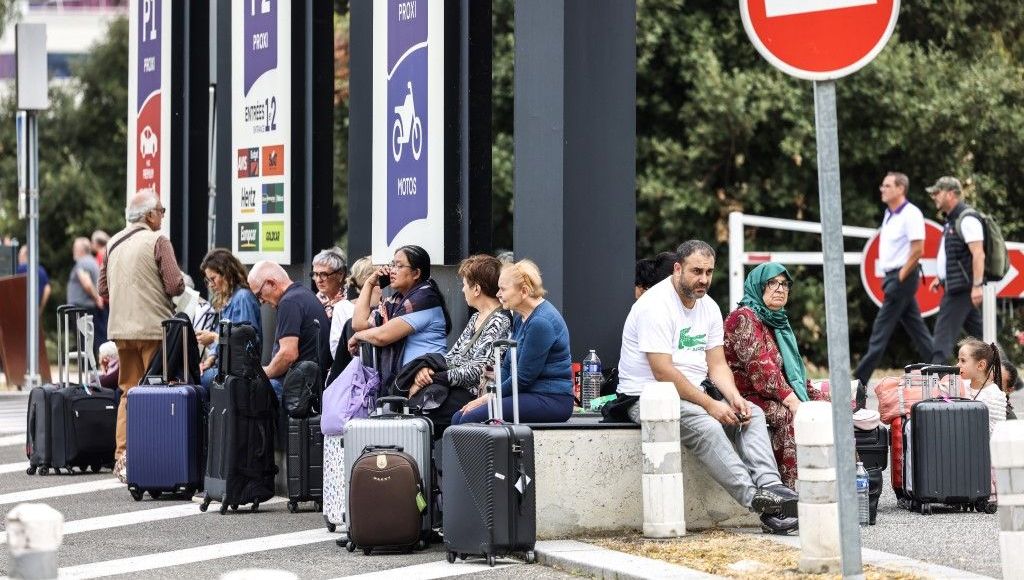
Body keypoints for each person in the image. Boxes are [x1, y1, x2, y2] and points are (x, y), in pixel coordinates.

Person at [617, 240, 799, 535]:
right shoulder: (655, 305)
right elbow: (662, 372)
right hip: (648, 396)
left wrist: (733, 398)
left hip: (694, 393)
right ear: (678, 269)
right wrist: (710, 404)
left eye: (709, 272)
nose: (703, 279)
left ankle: (772, 488)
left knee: (751, 413)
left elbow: (717, 366)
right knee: (708, 426)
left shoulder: (710, 307)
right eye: (696, 271)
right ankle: (758, 502)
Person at [99, 191, 185, 481]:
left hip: (121, 331)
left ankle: (123, 457)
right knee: (158, 392)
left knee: (129, 392)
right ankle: (155, 454)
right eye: (161, 210)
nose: (163, 214)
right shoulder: (158, 241)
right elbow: (175, 285)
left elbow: (103, 290)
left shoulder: (112, 243)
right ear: (149, 215)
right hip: (153, 329)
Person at [723, 262, 830, 489]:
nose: (780, 289)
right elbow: (762, 370)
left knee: (831, 408)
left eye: (784, 284)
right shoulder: (743, 318)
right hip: (748, 395)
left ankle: (848, 482)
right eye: (772, 283)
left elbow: (791, 371)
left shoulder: (777, 320)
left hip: (775, 392)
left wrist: (809, 394)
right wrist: (794, 401)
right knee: (791, 417)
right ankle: (790, 492)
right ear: (758, 286)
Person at [452, 259, 573, 425]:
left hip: (551, 399)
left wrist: (487, 398)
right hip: (528, 394)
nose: (498, 294)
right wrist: (490, 396)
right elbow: (508, 367)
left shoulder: (541, 322)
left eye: (503, 289)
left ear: (524, 291)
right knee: (459, 416)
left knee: (469, 417)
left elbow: (523, 378)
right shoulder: (521, 318)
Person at [407, 255, 512, 435]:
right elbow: (454, 356)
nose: (463, 290)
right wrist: (428, 371)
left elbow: (478, 370)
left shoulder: (500, 320)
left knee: (420, 420)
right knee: (413, 412)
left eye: (464, 284)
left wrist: (434, 378)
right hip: (457, 388)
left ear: (476, 289)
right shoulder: (476, 317)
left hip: (475, 394)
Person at [854, 172, 934, 386]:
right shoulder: (889, 213)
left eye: (887, 185)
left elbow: (918, 249)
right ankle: (944, 371)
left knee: (879, 332)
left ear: (900, 189)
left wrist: (900, 276)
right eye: (883, 185)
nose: (882, 189)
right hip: (893, 276)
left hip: (902, 277)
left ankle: (858, 381)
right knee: (919, 332)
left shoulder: (911, 213)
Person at [348, 245, 451, 386]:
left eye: (399, 266)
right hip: (407, 380)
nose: (392, 271)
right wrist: (369, 283)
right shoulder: (395, 301)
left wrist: (357, 336)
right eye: (392, 265)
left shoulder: (424, 298)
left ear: (416, 273)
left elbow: (382, 336)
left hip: (426, 379)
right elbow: (358, 324)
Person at [247, 261, 331, 399]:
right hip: (310, 386)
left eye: (259, 295)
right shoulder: (304, 294)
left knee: (246, 391)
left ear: (271, 283)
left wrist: (264, 373)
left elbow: (288, 355)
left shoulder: (289, 302)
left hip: (295, 389)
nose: (261, 301)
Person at [928, 176, 986, 363]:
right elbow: (955, 255)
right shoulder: (952, 219)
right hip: (957, 284)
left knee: (942, 337)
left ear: (951, 194)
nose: (934, 196)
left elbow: (978, 254)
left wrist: (977, 286)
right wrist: (941, 277)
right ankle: (1010, 376)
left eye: (937, 192)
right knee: (983, 339)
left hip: (962, 288)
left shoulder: (967, 219)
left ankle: (935, 374)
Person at [196, 248, 262, 388]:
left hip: (238, 373)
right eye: (208, 280)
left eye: (213, 279)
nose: (210, 285)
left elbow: (245, 341)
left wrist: (214, 337)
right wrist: (209, 360)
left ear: (226, 274)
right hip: (226, 369)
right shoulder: (229, 300)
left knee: (195, 380)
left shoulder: (243, 298)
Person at [958, 338, 1007, 432]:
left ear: (981, 365)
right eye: (958, 360)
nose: (958, 365)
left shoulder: (994, 395)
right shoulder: (961, 385)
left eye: (963, 361)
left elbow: (996, 432)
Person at [68, 237, 107, 354]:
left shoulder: (83, 262)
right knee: (89, 342)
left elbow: (86, 282)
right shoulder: (92, 261)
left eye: (75, 248)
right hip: (87, 308)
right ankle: (91, 364)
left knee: (83, 343)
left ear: (81, 250)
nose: (73, 251)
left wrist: (97, 299)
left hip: (80, 308)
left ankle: (87, 365)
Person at [312, 247, 350, 319]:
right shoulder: (319, 297)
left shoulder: (349, 300)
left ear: (340, 275)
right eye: (316, 274)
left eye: (324, 274)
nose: (318, 280)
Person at [15, 245, 51, 311]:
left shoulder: (20, 269)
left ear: (25, 255)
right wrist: (40, 309)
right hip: (35, 310)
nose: (18, 257)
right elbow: (47, 289)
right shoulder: (41, 270)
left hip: (21, 310)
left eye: (20, 254)